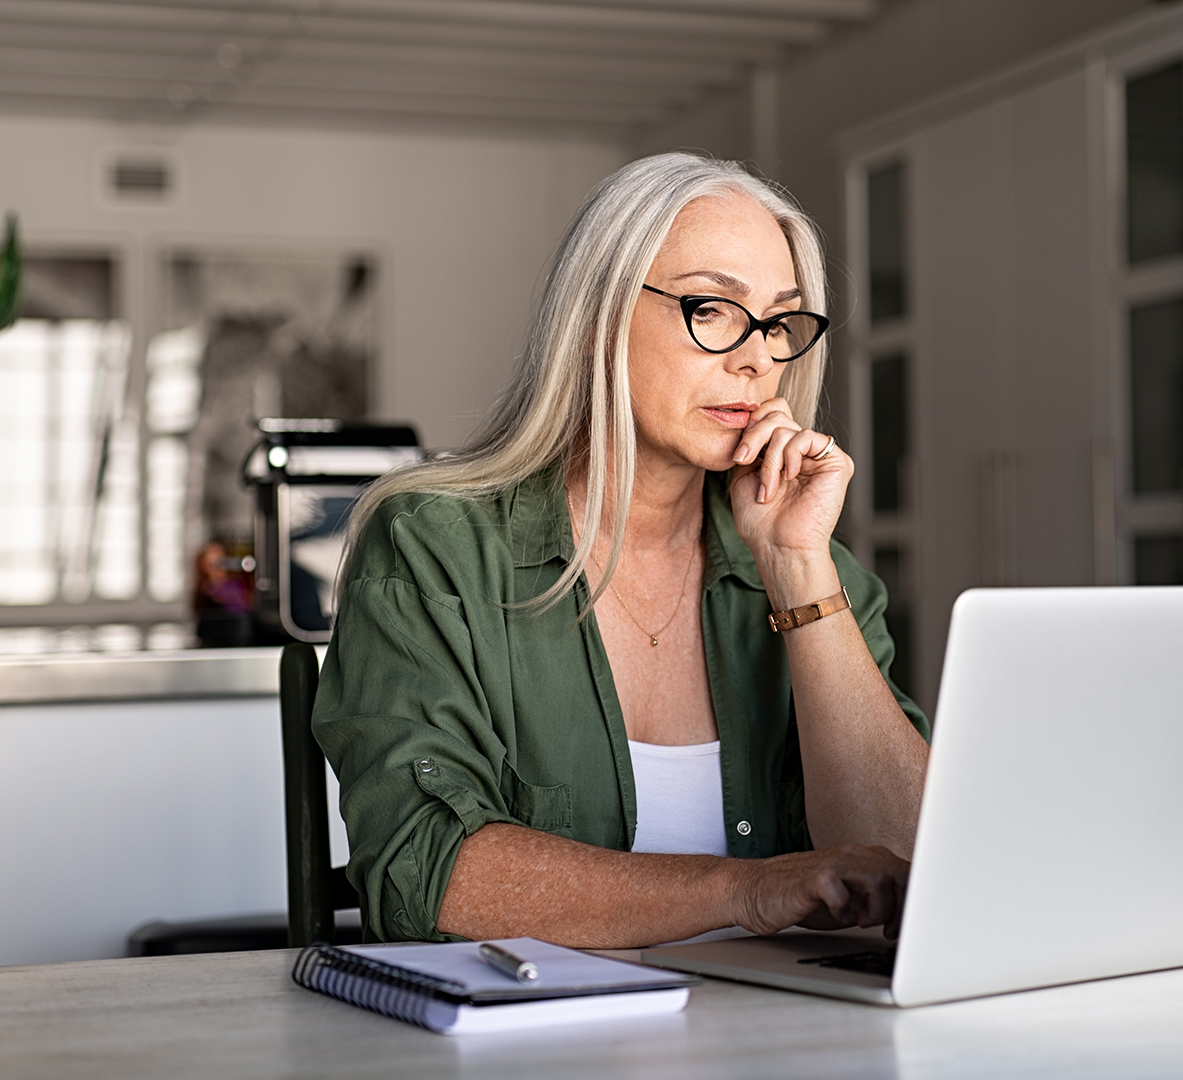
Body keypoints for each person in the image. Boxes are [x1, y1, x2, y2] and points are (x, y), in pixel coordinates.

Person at [313, 152, 930, 949]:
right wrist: (749, 889)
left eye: (779, 322)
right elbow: (425, 873)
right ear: (600, 313)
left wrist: (796, 571)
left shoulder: (817, 574)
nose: (759, 358)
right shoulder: (436, 547)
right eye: (712, 308)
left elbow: (914, 869)